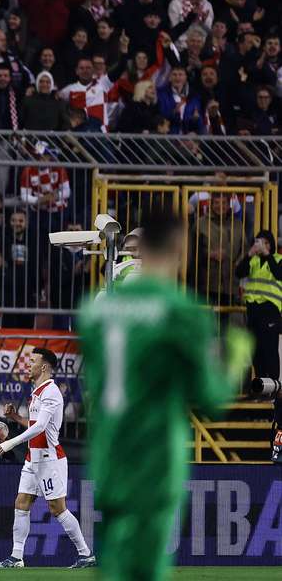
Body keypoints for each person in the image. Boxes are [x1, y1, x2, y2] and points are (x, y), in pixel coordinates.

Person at [77, 207, 252, 581]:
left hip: (108, 459)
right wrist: (236, 356)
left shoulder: (94, 314)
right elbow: (211, 399)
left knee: (113, 571)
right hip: (153, 461)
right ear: (178, 246)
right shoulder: (180, 311)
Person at [0, 347, 94, 569]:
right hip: (32, 458)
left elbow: (41, 427)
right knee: (22, 502)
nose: (29, 365)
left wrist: (10, 442)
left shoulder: (51, 392)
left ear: (44, 366)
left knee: (58, 508)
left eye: (33, 361)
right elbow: (34, 424)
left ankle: (85, 554)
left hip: (49, 459)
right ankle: (16, 557)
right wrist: (16, 417)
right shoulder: (37, 391)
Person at [235, 231, 281, 382]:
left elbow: (279, 274)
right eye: (259, 242)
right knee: (256, 353)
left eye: (266, 242)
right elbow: (239, 272)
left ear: (272, 245)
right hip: (253, 310)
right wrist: (249, 254)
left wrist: (267, 254)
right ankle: (261, 389)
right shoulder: (253, 260)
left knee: (270, 352)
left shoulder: (278, 259)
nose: (262, 246)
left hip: (270, 310)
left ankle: (273, 390)